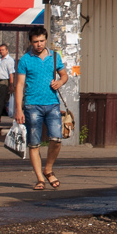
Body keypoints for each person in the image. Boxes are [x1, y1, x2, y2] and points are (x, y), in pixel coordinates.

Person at [14, 27, 69, 190]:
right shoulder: (25, 60)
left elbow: (64, 75)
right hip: (32, 105)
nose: (39, 44)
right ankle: (40, 179)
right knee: (34, 143)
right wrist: (18, 110)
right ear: (31, 42)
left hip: (52, 103)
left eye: (42, 41)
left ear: (46, 40)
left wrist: (60, 82)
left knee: (56, 139)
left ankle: (48, 169)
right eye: (36, 41)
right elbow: (19, 85)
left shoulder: (54, 57)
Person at [0, 43, 16, 124]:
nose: (1, 51)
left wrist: (11, 85)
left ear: (7, 50)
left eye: (2, 50)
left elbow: (11, 73)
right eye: (0, 50)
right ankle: (0, 114)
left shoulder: (9, 60)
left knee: (0, 100)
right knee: (1, 99)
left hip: (5, 81)